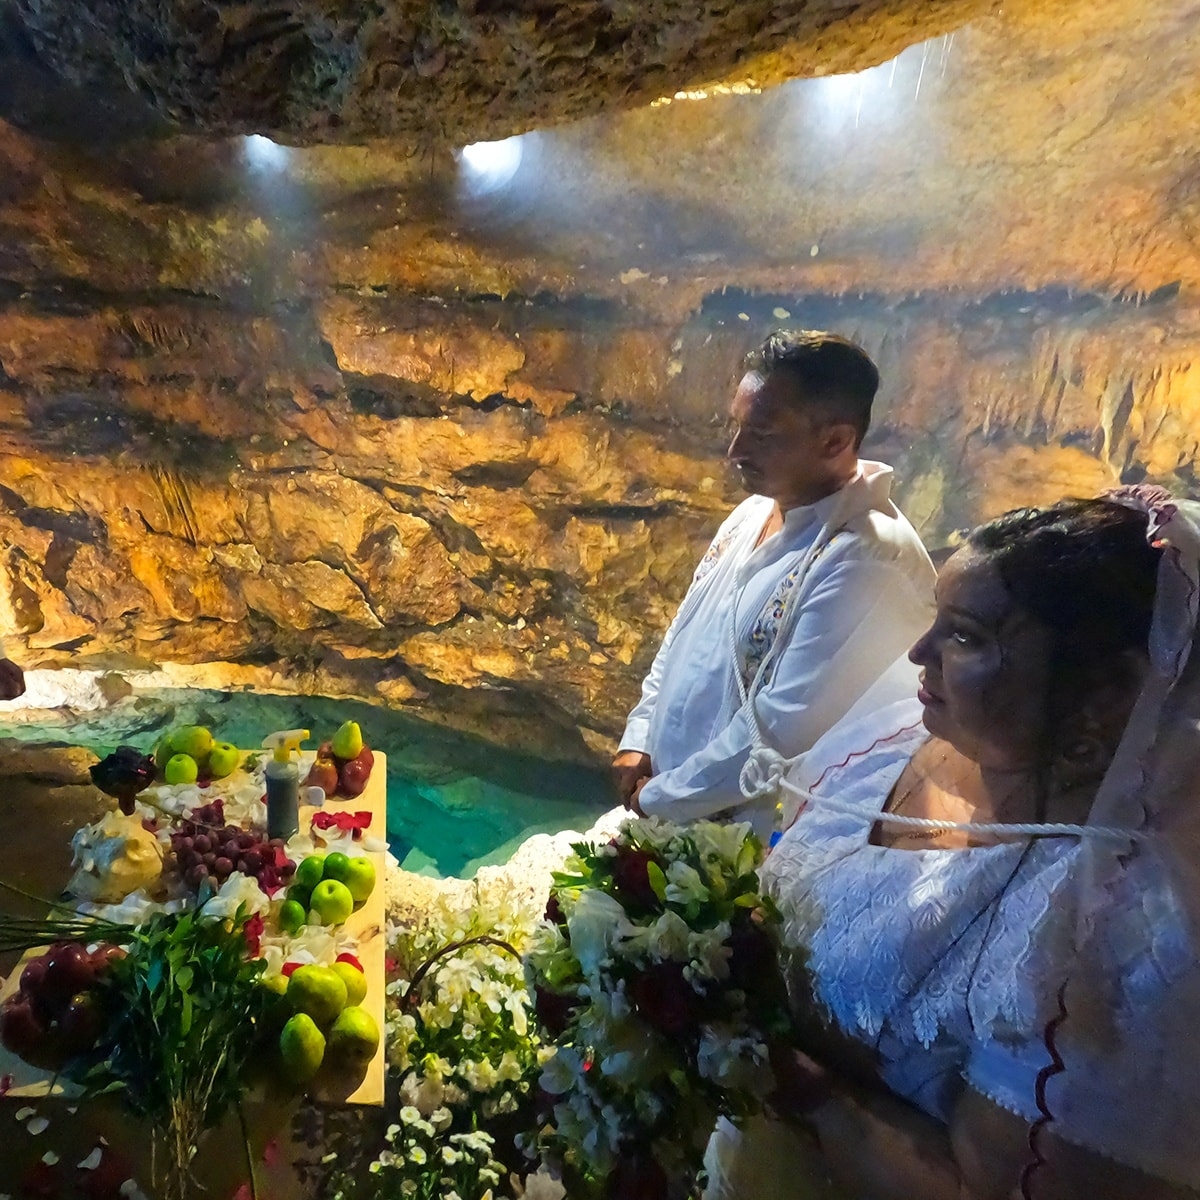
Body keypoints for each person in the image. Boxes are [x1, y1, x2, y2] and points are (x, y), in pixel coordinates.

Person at [705, 490, 1200, 1200]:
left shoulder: (1117, 938)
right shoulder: (891, 746)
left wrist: (785, 1078)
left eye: (966, 636)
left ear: (1110, 692)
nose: (917, 653)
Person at [613, 331, 935, 836]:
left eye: (761, 435)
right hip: (670, 810)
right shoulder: (752, 514)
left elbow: (778, 735)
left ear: (835, 440)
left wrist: (659, 797)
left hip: (750, 852)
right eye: (738, 426)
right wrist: (640, 736)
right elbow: (684, 634)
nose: (734, 450)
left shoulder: (866, 561)